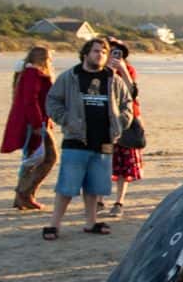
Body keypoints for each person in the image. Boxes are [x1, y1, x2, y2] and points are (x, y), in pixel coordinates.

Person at [43, 38, 135, 240]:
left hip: (104, 140)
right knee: (67, 186)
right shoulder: (71, 76)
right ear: (85, 54)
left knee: (95, 187)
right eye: (95, 51)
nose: (100, 55)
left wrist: (120, 123)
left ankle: (91, 222)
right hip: (76, 139)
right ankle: (54, 225)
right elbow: (52, 100)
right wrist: (67, 120)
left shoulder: (113, 79)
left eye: (103, 52)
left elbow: (127, 102)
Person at [1, 45, 56, 210]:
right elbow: (30, 101)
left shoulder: (26, 73)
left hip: (32, 123)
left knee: (31, 159)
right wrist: (38, 124)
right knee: (48, 158)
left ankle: (22, 197)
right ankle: (24, 193)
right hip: (34, 124)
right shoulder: (33, 74)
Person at [106, 40, 143, 218]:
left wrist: (122, 71)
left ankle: (119, 201)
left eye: (118, 52)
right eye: (111, 51)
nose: (115, 55)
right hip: (104, 122)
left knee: (124, 165)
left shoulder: (128, 70)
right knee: (103, 162)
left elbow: (133, 93)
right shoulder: (99, 69)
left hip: (126, 122)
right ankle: (98, 200)